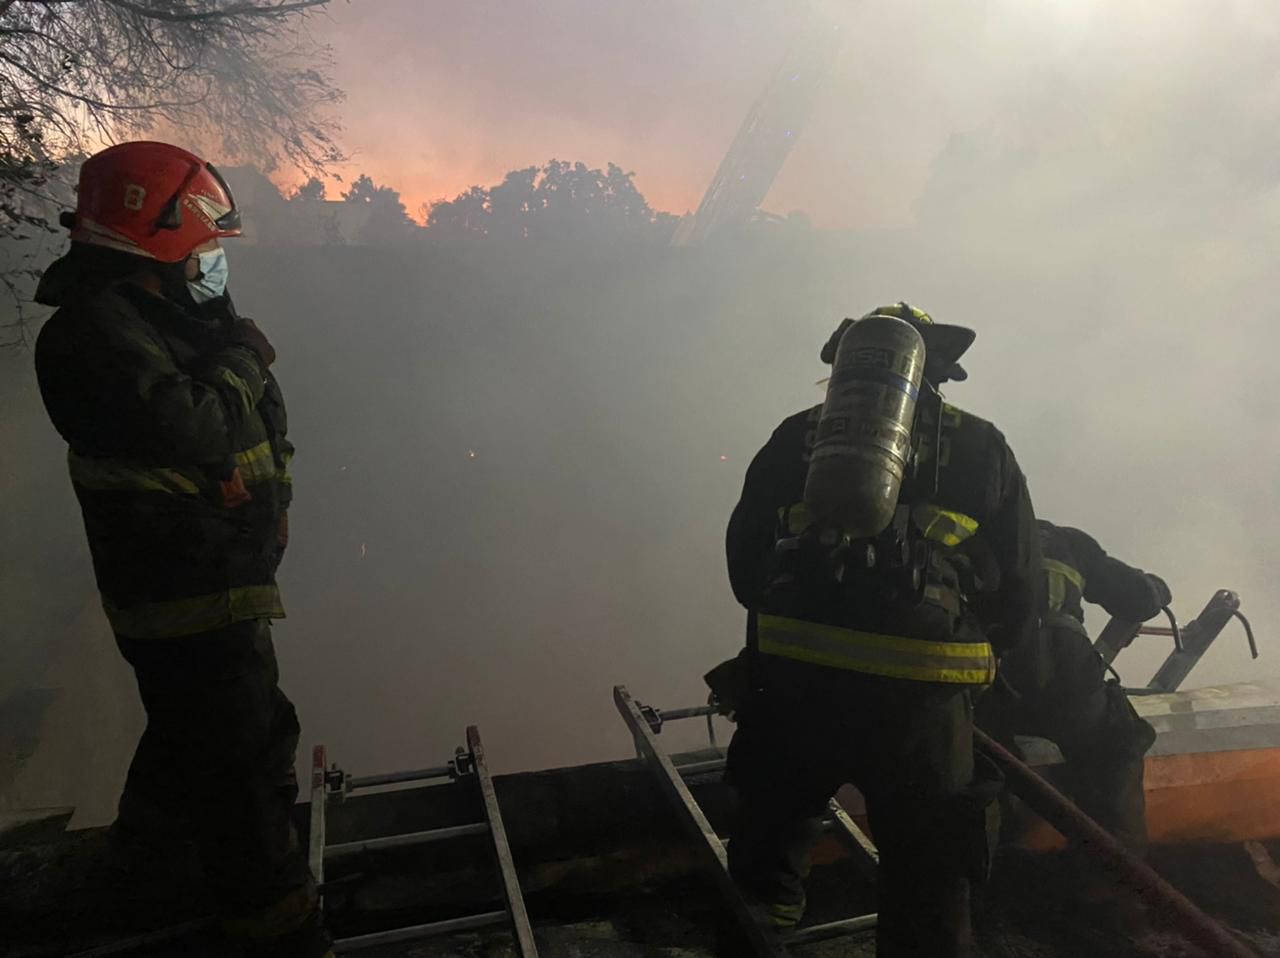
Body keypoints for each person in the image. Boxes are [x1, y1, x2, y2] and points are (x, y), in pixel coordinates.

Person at [33, 141, 329, 958]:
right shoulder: (88, 336)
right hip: (182, 595)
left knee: (218, 741)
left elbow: (262, 425)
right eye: (201, 248)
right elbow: (191, 423)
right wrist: (240, 361)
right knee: (236, 769)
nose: (212, 264)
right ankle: (278, 926)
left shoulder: (175, 318)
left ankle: (143, 885)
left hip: (226, 580)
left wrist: (279, 499)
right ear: (150, 240)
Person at [720, 302, 1040, 957]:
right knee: (928, 882)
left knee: (768, 852)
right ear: (936, 369)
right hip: (923, 702)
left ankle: (765, 928)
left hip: (794, 689)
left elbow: (745, 563)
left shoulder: (796, 437)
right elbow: (1020, 591)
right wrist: (971, 668)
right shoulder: (983, 446)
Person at [981, 520, 1169, 855]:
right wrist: (1155, 588)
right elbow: (1141, 599)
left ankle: (996, 854)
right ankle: (1116, 873)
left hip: (998, 670)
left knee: (987, 761)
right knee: (1113, 747)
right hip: (1069, 671)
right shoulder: (1067, 541)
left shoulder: (977, 533)